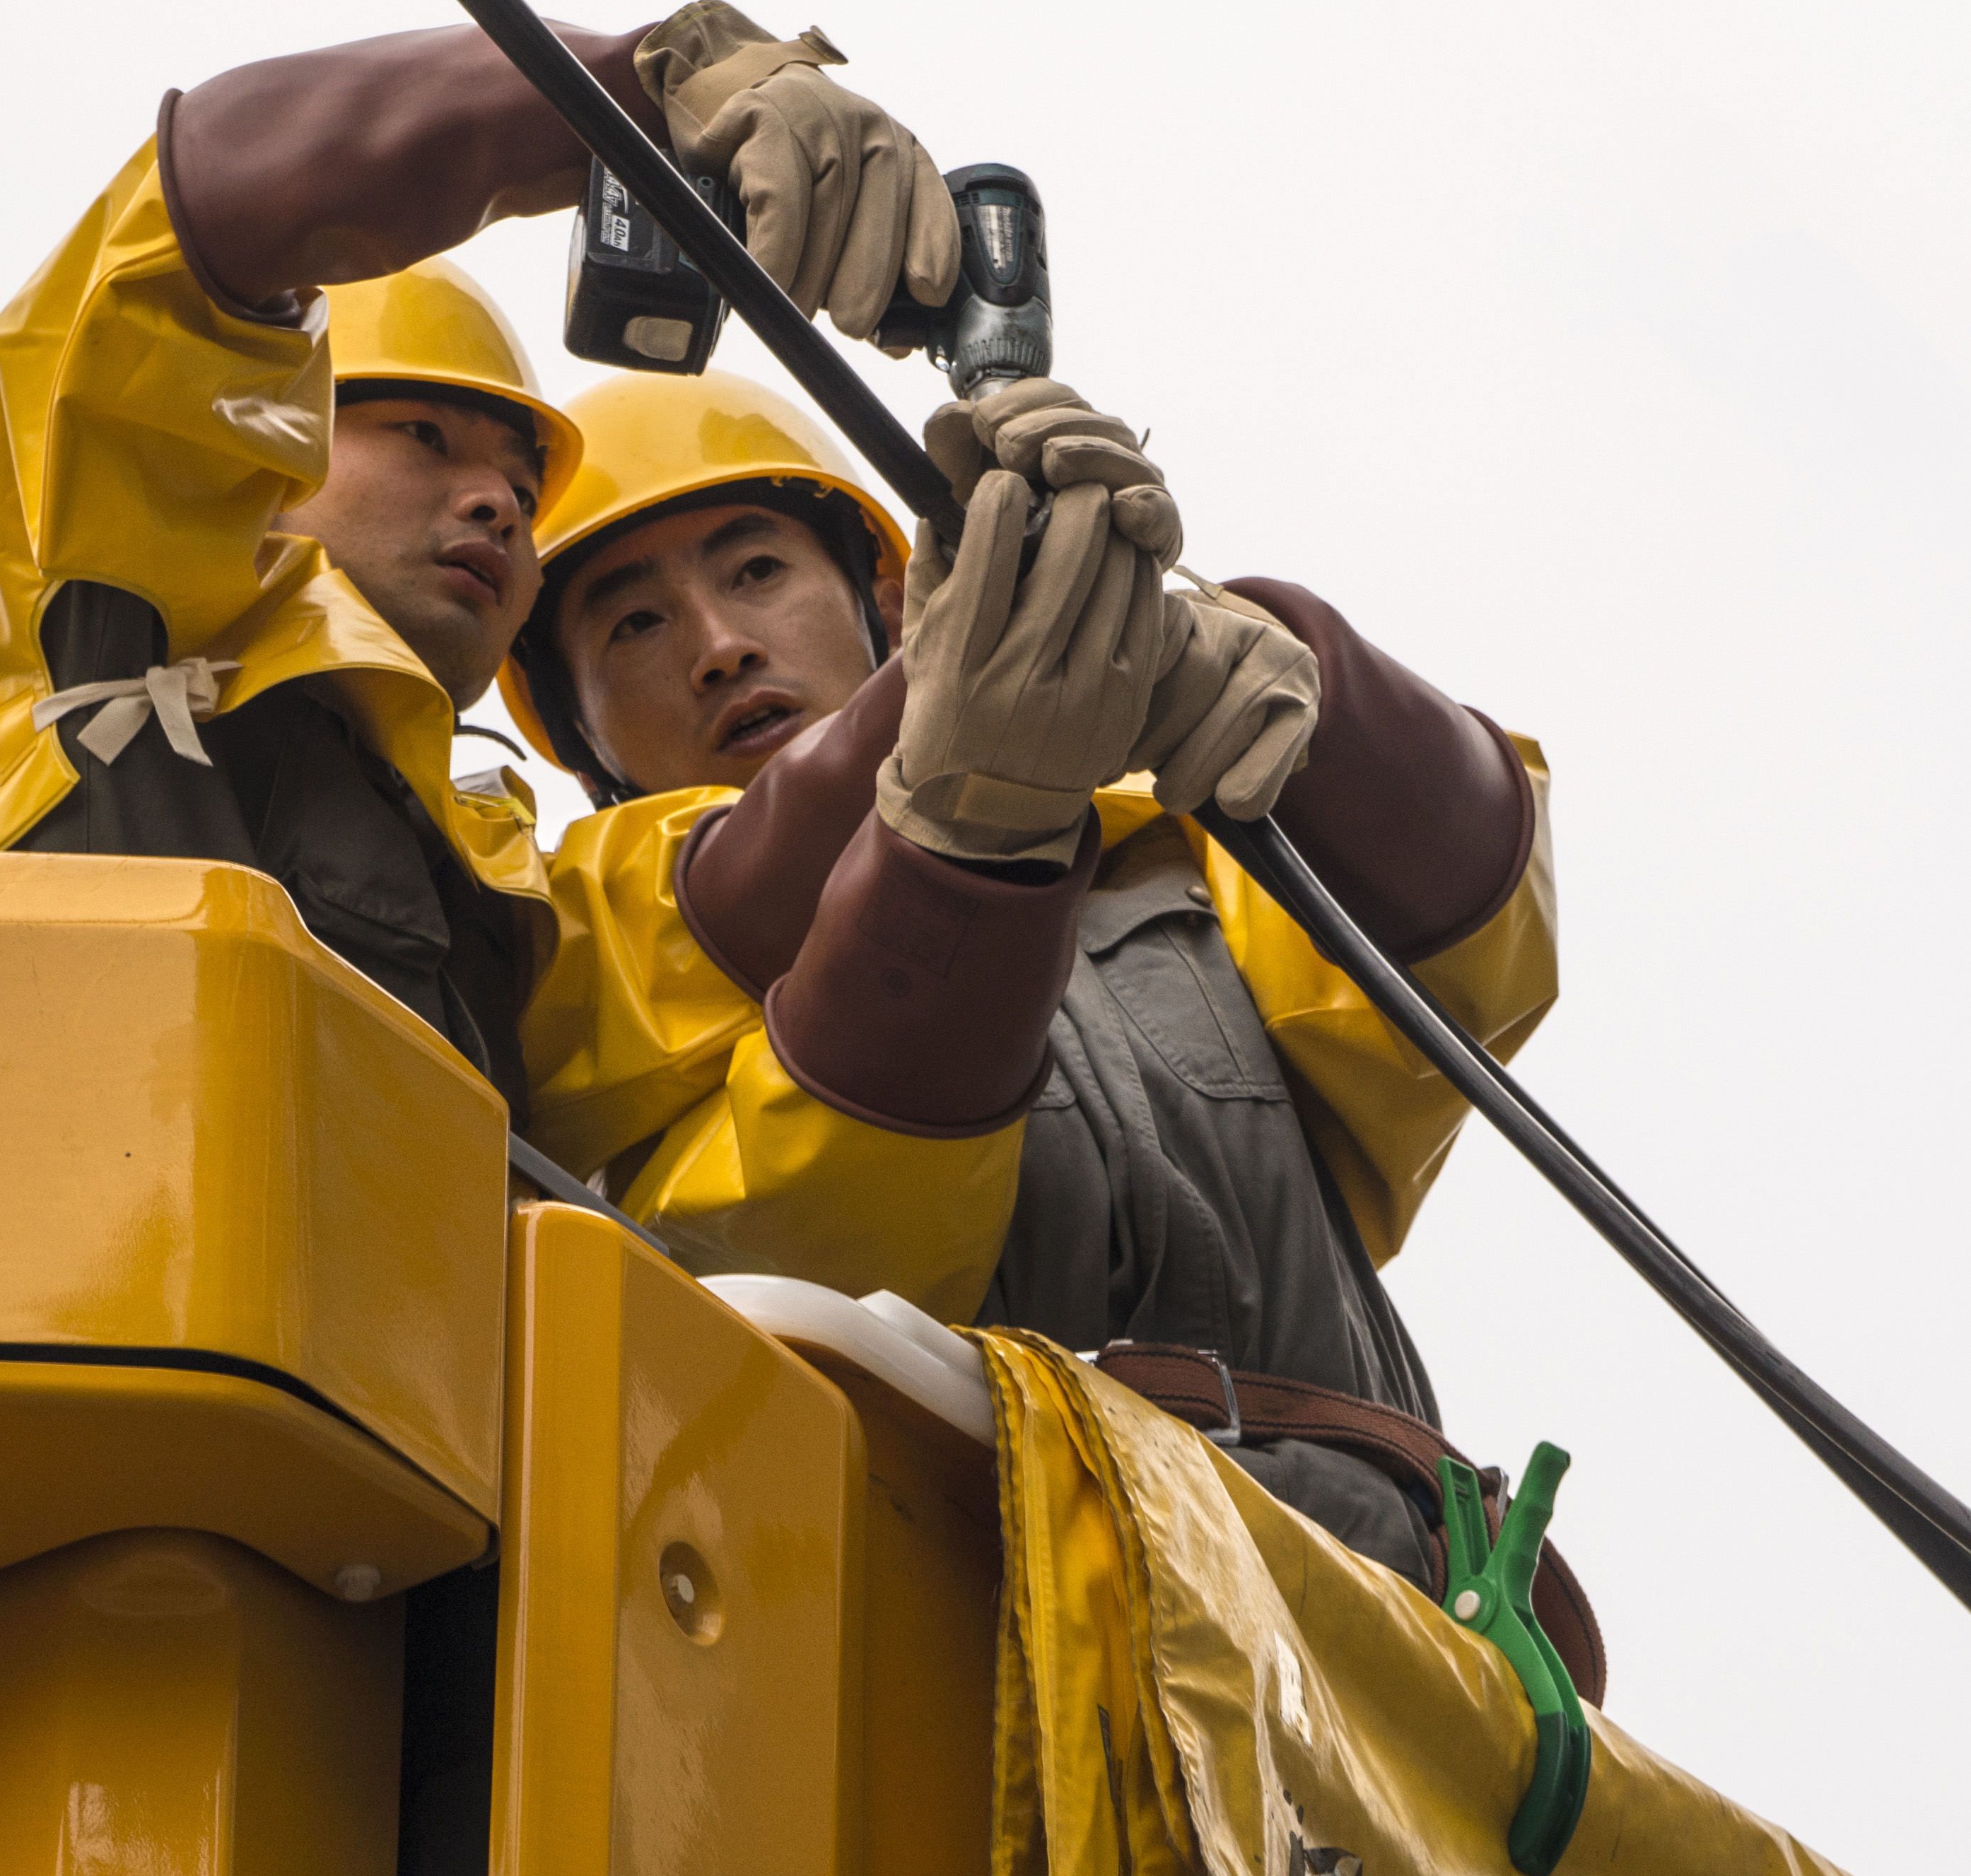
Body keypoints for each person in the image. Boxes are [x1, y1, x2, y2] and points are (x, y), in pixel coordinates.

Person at [513, 367, 1570, 1634]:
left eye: (756, 572)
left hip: (1372, 1648)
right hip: (990, 1660)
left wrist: (1287, 678)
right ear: (584, 746)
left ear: (889, 602)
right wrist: (966, 786)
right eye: (633, 625)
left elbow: (1480, 949)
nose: (718, 643)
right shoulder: (585, 963)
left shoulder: (1168, 871)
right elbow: (839, 1238)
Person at [0, 2, 966, 1106]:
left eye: (517, 483)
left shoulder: (486, 871)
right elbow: (199, 215)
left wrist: (970, 689)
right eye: (424, 439)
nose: (499, 505)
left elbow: (711, 905)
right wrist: (637, 90)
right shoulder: (94, 610)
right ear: (257, 422)